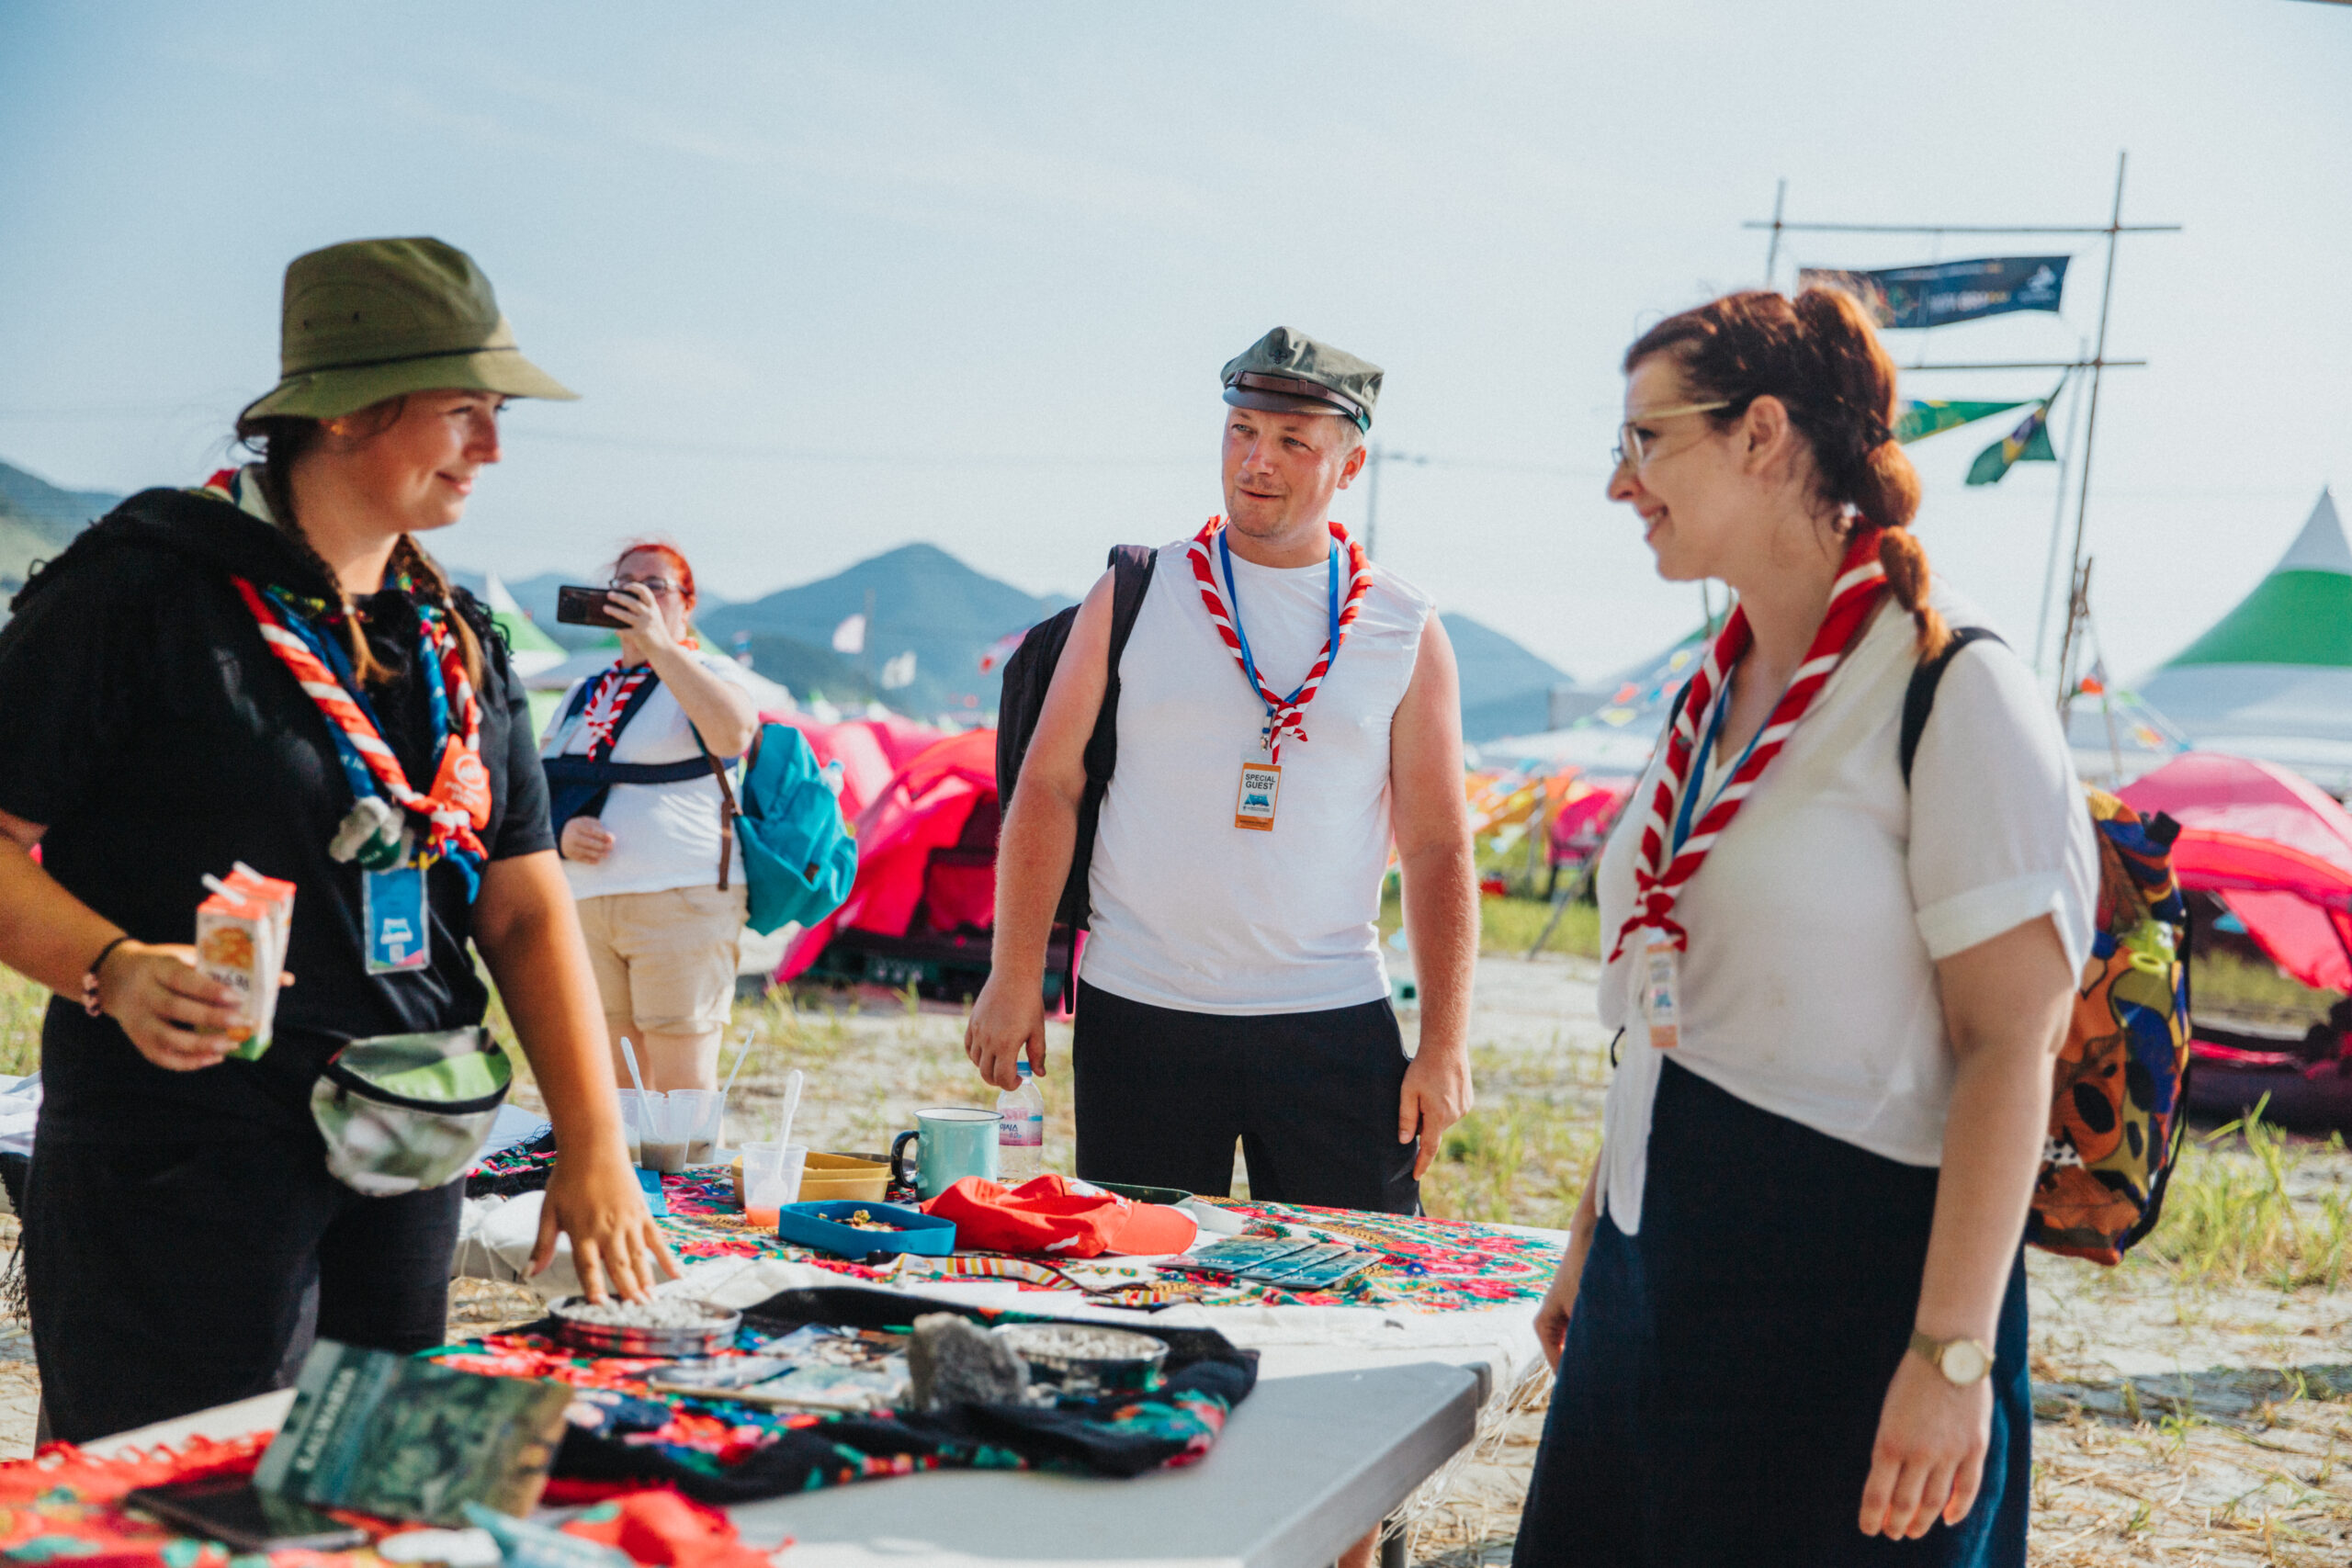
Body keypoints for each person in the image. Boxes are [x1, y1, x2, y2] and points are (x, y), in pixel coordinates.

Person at [0, 236, 673, 1444]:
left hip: (407, 1149)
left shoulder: (451, 636)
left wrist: (594, 1141)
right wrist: (113, 966)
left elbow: (523, 908)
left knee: (364, 1489)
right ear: (351, 411)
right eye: (463, 409)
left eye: (500, 413)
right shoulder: (140, 591)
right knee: (178, 1499)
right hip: (183, 1169)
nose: (494, 446)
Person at [1511, 288, 2098, 1565]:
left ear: (1762, 434)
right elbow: (1676, 1001)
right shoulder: (1708, 694)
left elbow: (2011, 1042)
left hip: (1846, 1302)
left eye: (1646, 439)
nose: (1621, 482)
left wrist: (1950, 1355)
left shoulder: (1953, 686)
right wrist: (1595, 1240)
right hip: (1650, 1277)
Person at [966, 327, 1477, 1219]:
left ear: (1350, 465)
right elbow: (1048, 785)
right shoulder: (1135, 591)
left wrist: (1444, 1042)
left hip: (1330, 1015)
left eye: (1293, 441)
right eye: (1242, 430)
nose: (1256, 460)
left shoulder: (1403, 627)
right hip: (1140, 1009)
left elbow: (1438, 844)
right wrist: (1015, 976)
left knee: (1354, 1277)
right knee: (1135, 1275)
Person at [541, 541, 759, 1092]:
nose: (636, 593)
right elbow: (542, 788)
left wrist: (660, 645)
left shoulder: (709, 671)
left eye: (654, 585)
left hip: (680, 896)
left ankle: (688, 1161)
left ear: (687, 603)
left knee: (682, 1085)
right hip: (589, 902)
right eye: (623, 584)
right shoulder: (583, 691)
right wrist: (562, 832)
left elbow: (733, 734)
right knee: (615, 1084)